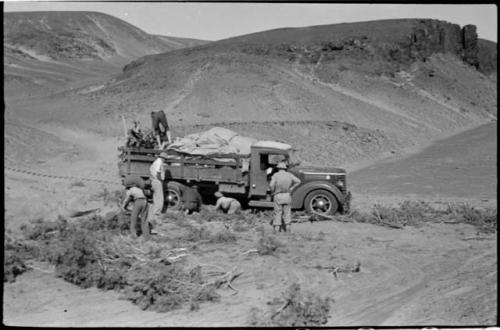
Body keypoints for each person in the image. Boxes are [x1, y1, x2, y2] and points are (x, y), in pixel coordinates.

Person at [269, 161, 301, 233]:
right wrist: (292, 188)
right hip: (287, 195)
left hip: (278, 195)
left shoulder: (276, 175)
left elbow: (271, 185)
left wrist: (272, 191)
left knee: (277, 212)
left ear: (278, 168)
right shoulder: (289, 175)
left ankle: (277, 228)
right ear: (285, 168)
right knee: (287, 212)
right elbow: (298, 181)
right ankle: (288, 227)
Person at [147, 152, 168, 226]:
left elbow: (151, 170)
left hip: (153, 181)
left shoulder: (155, 162)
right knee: (160, 199)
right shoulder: (159, 162)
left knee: (156, 198)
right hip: (157, 181)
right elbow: (157, 172)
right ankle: (156, 217)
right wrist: (160, 180)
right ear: (163, 158)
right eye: (165, 159)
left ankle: (152, 216)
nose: (165, 160)